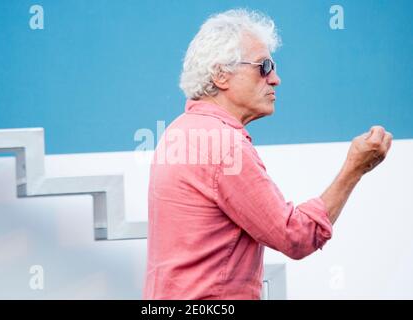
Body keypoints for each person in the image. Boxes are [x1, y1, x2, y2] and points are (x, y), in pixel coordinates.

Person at [143, 9, 392, 300]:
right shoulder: (223, 145)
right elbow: (295, 236)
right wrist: (354, 169)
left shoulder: (179, 132)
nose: (275, 79)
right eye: (264, 66)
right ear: (221, 74)